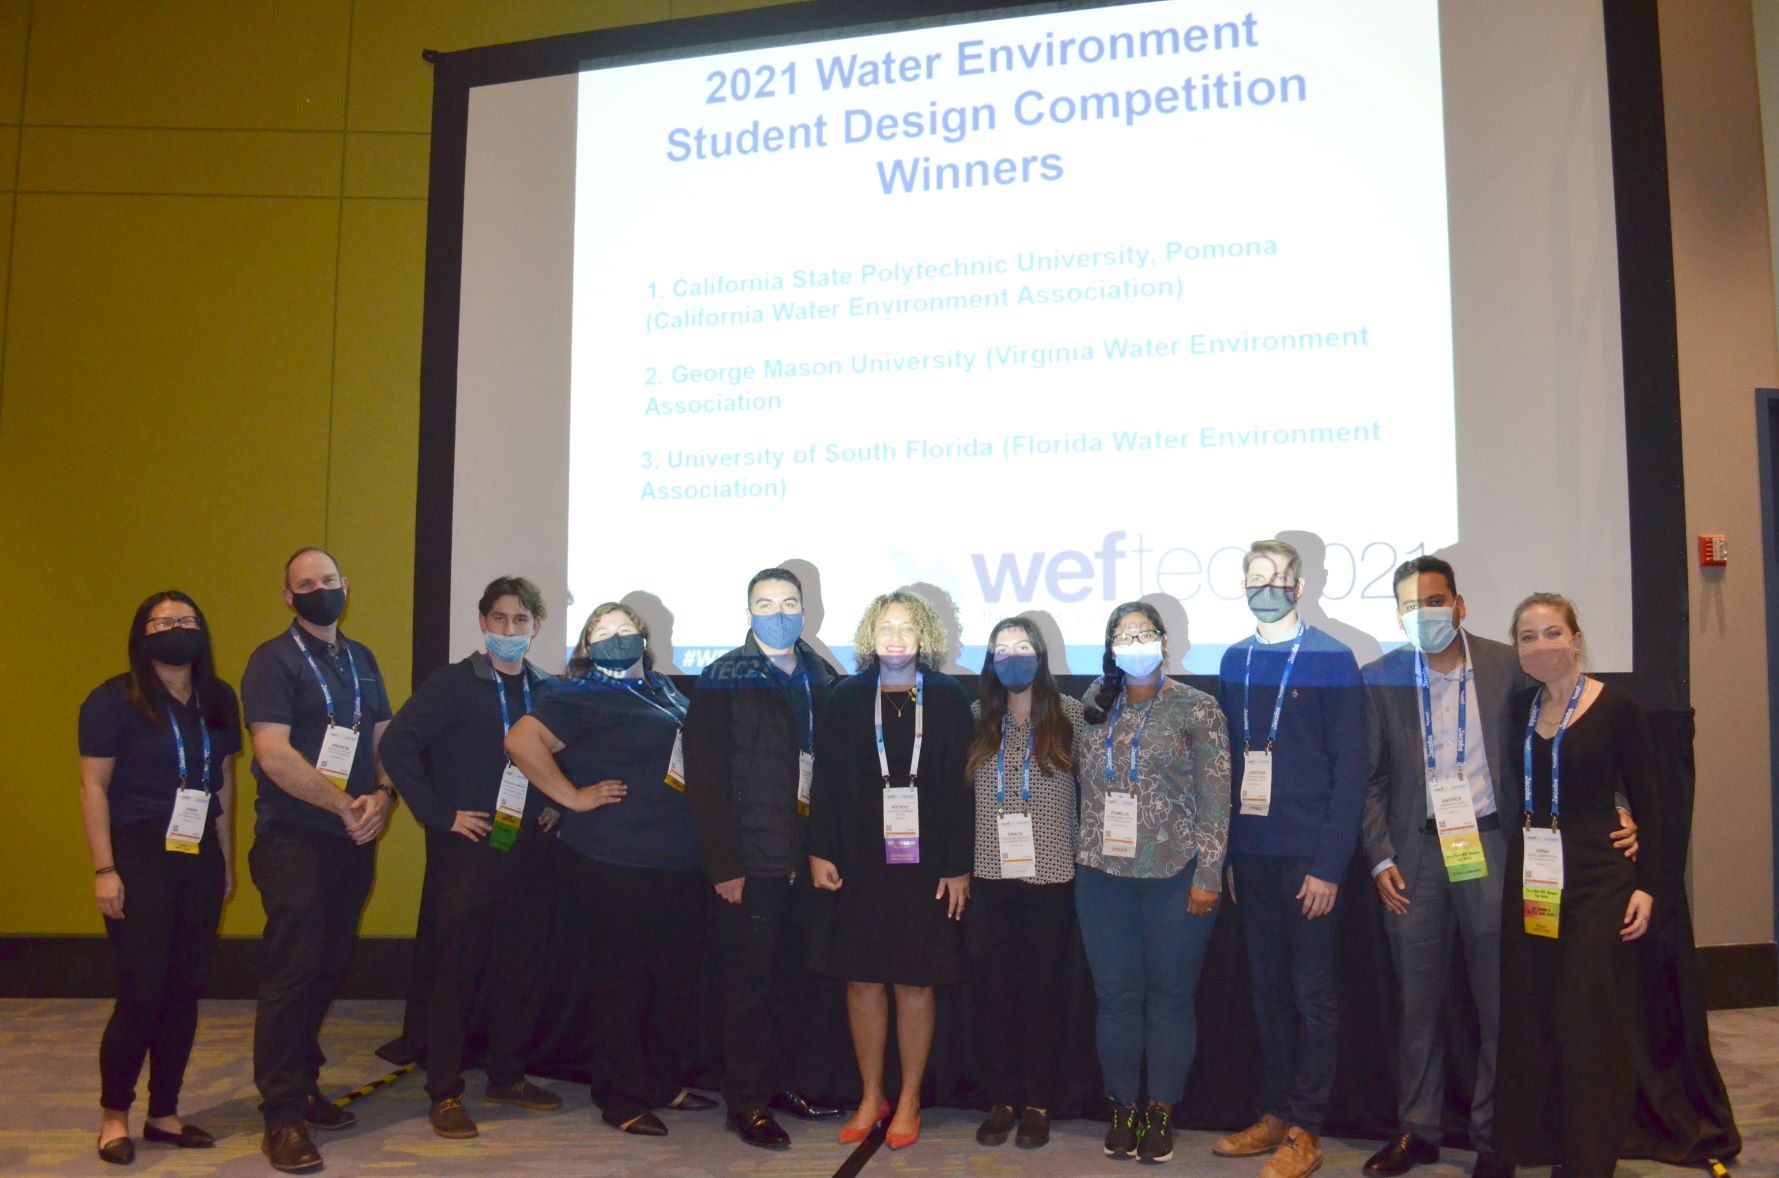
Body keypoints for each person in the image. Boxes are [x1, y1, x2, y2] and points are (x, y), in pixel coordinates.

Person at [1360, 560, 1640, 1178]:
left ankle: (1495, 1136)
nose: (1423, 613)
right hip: (1414, 854)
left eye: (1434, 601)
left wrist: (1619, 805)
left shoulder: (1507, 663)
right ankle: (1418, 1128)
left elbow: (1566, 738)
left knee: (1500, 998)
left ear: (1459, 605)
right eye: (1409, 604)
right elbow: (1372, 779)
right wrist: (1379, 855)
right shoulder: (1378, 676)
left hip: (1495, 848)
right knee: (1417, 1001)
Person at [504, 602, 714, 1136]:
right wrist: (572, 797)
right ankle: (620, 1098)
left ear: (643, 639)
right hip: (615, 860)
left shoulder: (662, 688)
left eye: (625, 629)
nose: (616, 637)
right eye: (603, 631)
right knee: (622, 984)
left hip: (677, 858)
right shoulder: (577, 693)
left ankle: (664, 1082)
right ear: (586, 645)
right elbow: (520, 742)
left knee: (672, 982)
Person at [380, 576, 563, 1140]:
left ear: (536, 628)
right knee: (457, 971)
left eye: (521, 621)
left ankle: (507, 1075)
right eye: (500, 619)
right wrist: (440, 814)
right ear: (483, 623)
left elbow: (564, 758)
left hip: (529, 847)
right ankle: (446, 1090)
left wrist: (560, 806)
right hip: (470, 846)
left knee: (522, 967)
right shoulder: (453, 684)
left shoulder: (548, 688)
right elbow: (396, 745)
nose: (511, 630)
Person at [1494, 593, 1662, 1177]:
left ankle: (1589, 1160)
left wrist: (1649, 884)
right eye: (1527, 637)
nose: (1541, 646)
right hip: (1534, 871)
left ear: (1576, 637)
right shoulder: (1518, 709)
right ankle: (1539, 1145)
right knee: (1535, 1013)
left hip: (1598, 874)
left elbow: (1652, 803)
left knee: (1586, 1016)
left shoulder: (1618, 708)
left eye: (1551, 633)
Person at [1214, 539, 1366, 1178]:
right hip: (1250, 855)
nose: (1264, 587)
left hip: (1309, 862)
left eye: (1276, 578)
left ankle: (1306, 1127)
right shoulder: (1233, 659)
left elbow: (1351, 771)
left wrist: (1330, 865)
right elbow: (1223, 766)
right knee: (1267, 992)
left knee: (1313, 996)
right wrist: (1222, 852)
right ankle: (1275, 1114)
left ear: (1300, 586)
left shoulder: (1334, 659)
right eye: (1254, 578)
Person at [242, 547, 396, 1173]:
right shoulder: (272, 660)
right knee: (292, 971)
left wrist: (384, 795)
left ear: (345, 586)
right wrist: (342, 805)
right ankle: (280, 1117)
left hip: (350, 838)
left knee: (328, 966)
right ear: (288, 597)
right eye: (305, 585)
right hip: (293, 839)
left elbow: (385, 736)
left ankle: (304, 1084)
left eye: (328, 581)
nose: (319, 591)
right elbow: (273, 753)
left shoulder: (360, 659)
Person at [806, 588, 973, 1151]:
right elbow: (824, 782)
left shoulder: (948, 698)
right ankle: (870, 1092)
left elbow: (960, 788)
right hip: (858, 860)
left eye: (906, 627)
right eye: (885, 628)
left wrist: (957, 865)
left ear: (923, 636)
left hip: (926, 866)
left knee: (916, 981)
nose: (895, 637)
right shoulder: (845, 697)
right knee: (861, 978)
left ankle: (909, 1097)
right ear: (869, 638)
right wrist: (819, 849)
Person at [684, 567, 844, 1150]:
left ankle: (784, 1086)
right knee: (747, 989)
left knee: (793, 983)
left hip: (806, 862)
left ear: (808, 611)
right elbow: (703, 782)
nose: (779, 611)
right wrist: (724, 865)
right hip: (749, 863)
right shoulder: (720, 676)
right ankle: (746, 1102)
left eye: (789, 602)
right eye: (765, 602)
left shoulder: (823, 676)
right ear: (747, 612)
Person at [79, 592, 240, 1165]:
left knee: (185, 988)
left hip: (197, 852)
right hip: (137, 849)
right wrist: (105, 869)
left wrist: (223, 859)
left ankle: (165, 1112)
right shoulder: (114, 699)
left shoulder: (219, 698)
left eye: (187, 620)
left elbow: (222, 781)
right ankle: (114, 1114)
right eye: (163, 622)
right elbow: (94, 787)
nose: (177, 629)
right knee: (142, 990)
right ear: (141, 634)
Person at [1070, 602, 1231, 1164]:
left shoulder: (1198, 707)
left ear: (1164, 642)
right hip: (1100, 875)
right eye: (1123, 634)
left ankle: (1160, 1111)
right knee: (1114, 1000)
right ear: (1110, 646)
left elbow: (1216, 800)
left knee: (1169, 998)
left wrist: (1208, 873)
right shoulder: (1091, 704)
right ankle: (1122, 1109)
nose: (1134, 642)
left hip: (1175, 874)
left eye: (1144, 633)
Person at [965, 617, 1086, 1152]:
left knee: (1041, 993)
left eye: (1021, 647)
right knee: (994, 993)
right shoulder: (975, 719)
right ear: (989, 660)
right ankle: (1002, 1099)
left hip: (1050, 875)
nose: (1011, 656)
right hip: (989, 876)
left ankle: (1037, 1102)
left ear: (1040, 654)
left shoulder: (1072, 717)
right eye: (1000, 648)